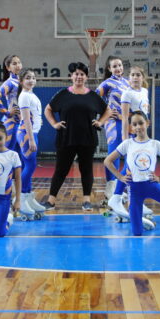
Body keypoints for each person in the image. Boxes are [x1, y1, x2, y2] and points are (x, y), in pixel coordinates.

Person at [44, 62, 112, 211]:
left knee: (86, 169)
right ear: (71, 76)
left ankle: (86, 200)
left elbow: (108, 111)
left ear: (86, 77)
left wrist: (100, 122)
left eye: (82, 74)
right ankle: (51, 200)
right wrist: (54, 124)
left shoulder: (93, 96)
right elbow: (48, 109)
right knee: (61, 169)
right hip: (65, 138)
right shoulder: (63, 94)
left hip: (87, 139)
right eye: (76, 74)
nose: (79, 77)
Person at [107, 65, 154, 219]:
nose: (135, 77)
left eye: (138, 75)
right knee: (129, 167)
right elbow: (125, 117)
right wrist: (125, 139)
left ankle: (126, 199)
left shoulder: (145, 92)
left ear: (142, 77)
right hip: (131, 136)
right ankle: (116, 197)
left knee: (132, 167)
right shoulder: (127, 93)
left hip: (142, 134)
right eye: (132, 75)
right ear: (129, 78)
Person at [95, 56, 130, 200]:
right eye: (115, 66)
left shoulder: (128, 83)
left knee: (129, 153)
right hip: (113, 123)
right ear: (109, 69)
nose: (118, 68)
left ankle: (125, 185)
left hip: (128, 122)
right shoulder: (106, 83)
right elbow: (94, 98)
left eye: (120, 65)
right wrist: (106, 113)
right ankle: (111, 185)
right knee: (114, 153)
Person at [16, 69, 47, 219]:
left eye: (33, 78)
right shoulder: (23, 96)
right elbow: (26, 119)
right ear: (21, 81)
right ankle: (20, 197)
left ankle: (28, 196)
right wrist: (31, 138)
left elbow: (34, 115)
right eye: (28, 78)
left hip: (32, 133)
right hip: (26, 135)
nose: (31, 80)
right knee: (29, 166)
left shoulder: (30, 95)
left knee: (31, 165)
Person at [0, 54, 22, 154]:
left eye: (19, 63)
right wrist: (7, 113)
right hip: (11, 124)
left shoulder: (20, 81)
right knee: (6, 155)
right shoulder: (10, 82)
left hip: (19, 123)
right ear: (8, 67)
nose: (18, 65)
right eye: (14, 63)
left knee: (16, 157)